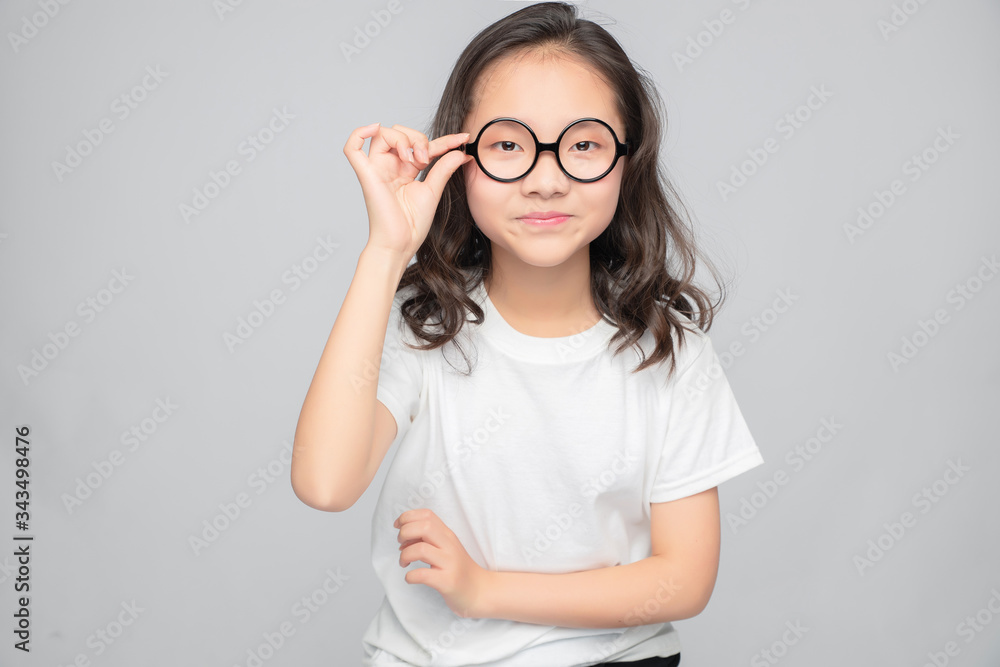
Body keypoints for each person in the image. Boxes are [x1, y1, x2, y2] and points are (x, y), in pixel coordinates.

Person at [291, 3, 765, 665]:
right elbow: (324, 482)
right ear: (459, 156)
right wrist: (385, 251)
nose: (546, 180)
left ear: (626, 161)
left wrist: (486, 590)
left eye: (585, 145)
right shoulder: (423, 330)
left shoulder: (671, 353)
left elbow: (684, 578)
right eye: (508, 144)